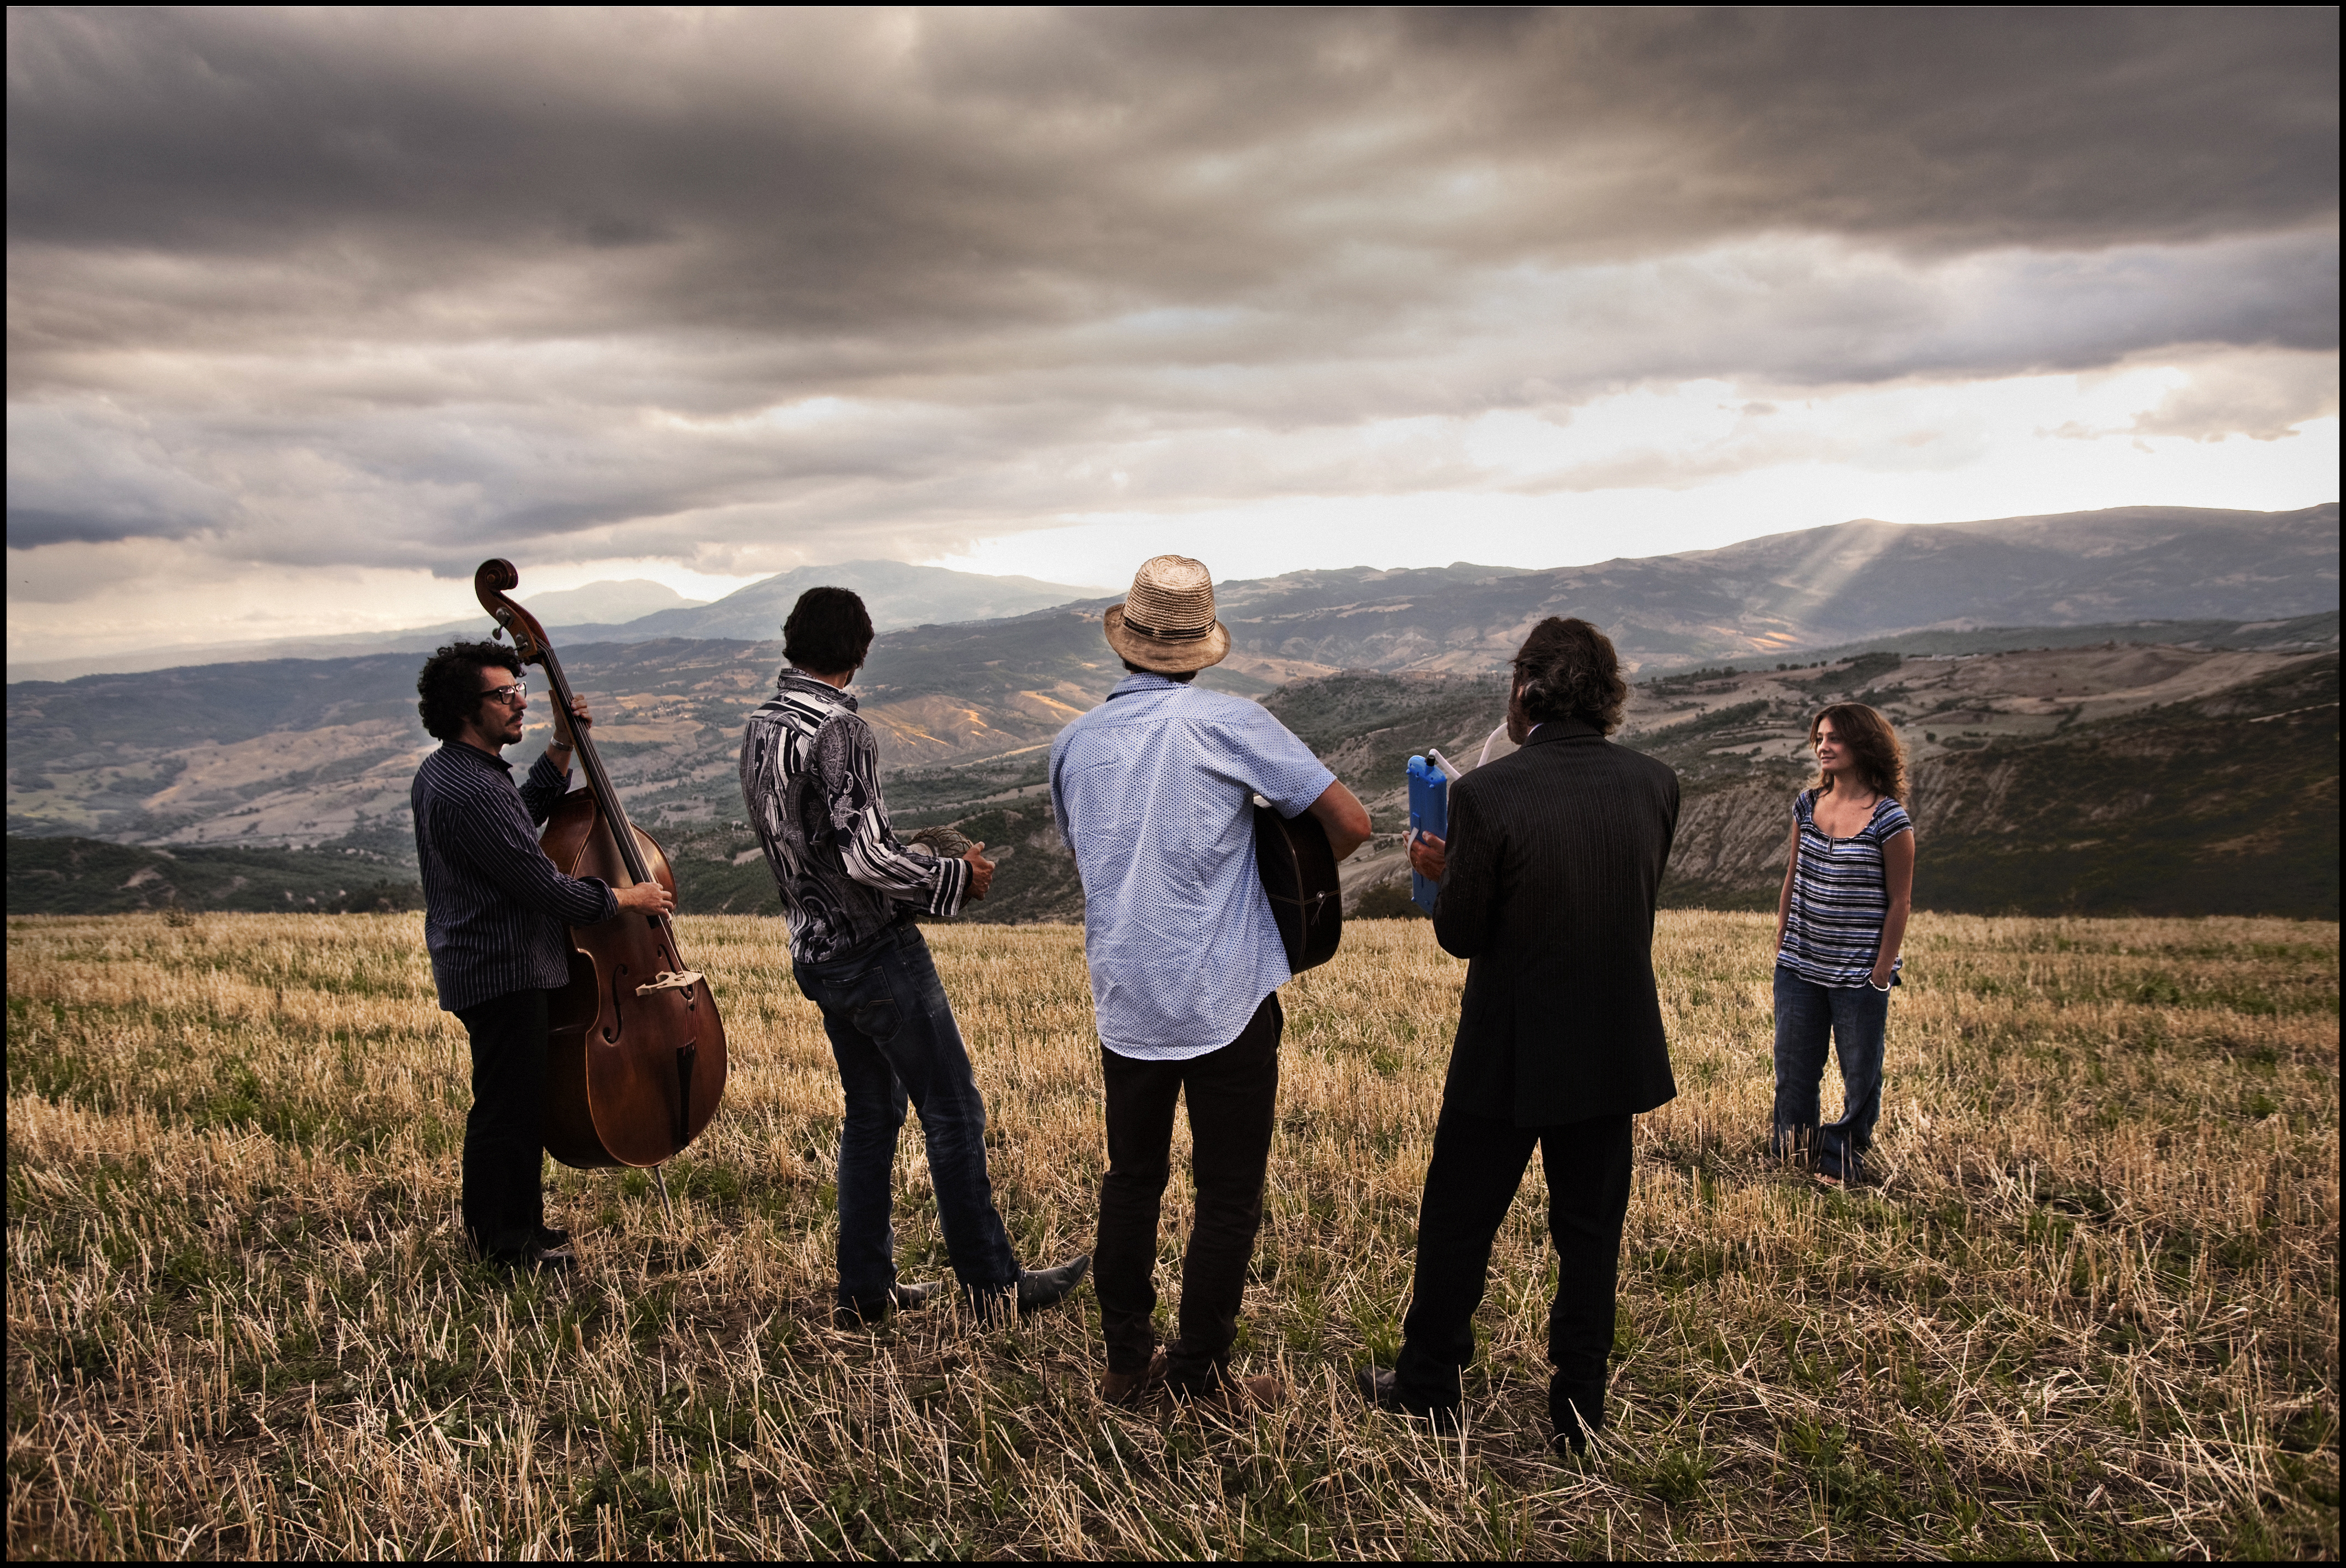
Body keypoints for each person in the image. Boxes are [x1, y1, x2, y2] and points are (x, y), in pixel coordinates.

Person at [1052, 555, 1373, 1411]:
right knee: (1226, 1192)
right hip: (1226, 990)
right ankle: (1199, 1372)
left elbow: (1090, 858)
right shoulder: (1232, 723)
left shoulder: (1072, 743)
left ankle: (1125, 1365)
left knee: (1133, 1179)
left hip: (1125, 999)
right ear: (1202, 647)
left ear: (1127, 642)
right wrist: (1280, 876)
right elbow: (1349, 822)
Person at [1360, 616, 1679, 1453]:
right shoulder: (1656, 783)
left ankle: (1429, 1385)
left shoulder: (1486, 796)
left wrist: (1443, 871)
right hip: (1611, 1045)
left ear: (1526, 687)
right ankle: (1580, 1409)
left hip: (1507, 1046)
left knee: (1460, 1221)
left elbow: (1464, 934)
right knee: (1590, 1234)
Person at [738, 586, 1088, 1327]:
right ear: (860, 648)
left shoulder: (763, 724)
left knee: (871, 1114)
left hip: (815, 947)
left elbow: (804, 843)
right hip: (873, 951)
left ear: (792, 641)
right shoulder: (838, 729)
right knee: (953, 1110)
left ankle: (866, 1289)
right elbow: (864, 857)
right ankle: (992, 1285)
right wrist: (955, 878)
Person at [411, 640, 676, 1273]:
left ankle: (519, 1225)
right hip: (499, 966)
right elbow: (541, 886)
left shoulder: (457, 771)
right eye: (503, 695)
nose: (518, 702)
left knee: (517, 1101)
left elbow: (521, 822)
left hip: (491, 961)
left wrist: (560, 747)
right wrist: (624, 896)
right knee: (505, 1108)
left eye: (518, 690)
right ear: (463, 707)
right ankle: (503, 1244)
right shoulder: (469, 788)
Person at [1770, 703, 1915, 1187]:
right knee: (1794, 1068)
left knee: (1860, 1078)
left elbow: (1901, 901)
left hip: (1858, 973)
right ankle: (1793, 1147)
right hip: (1800, 964)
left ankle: (1842, 1159)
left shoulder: (1889, 820)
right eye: (1820, 738)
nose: (1823, 746)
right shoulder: (1807, 805)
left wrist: (1880, 971)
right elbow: (1793, 875)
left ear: (1863, 745)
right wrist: (1782, 940)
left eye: (1834, 738)